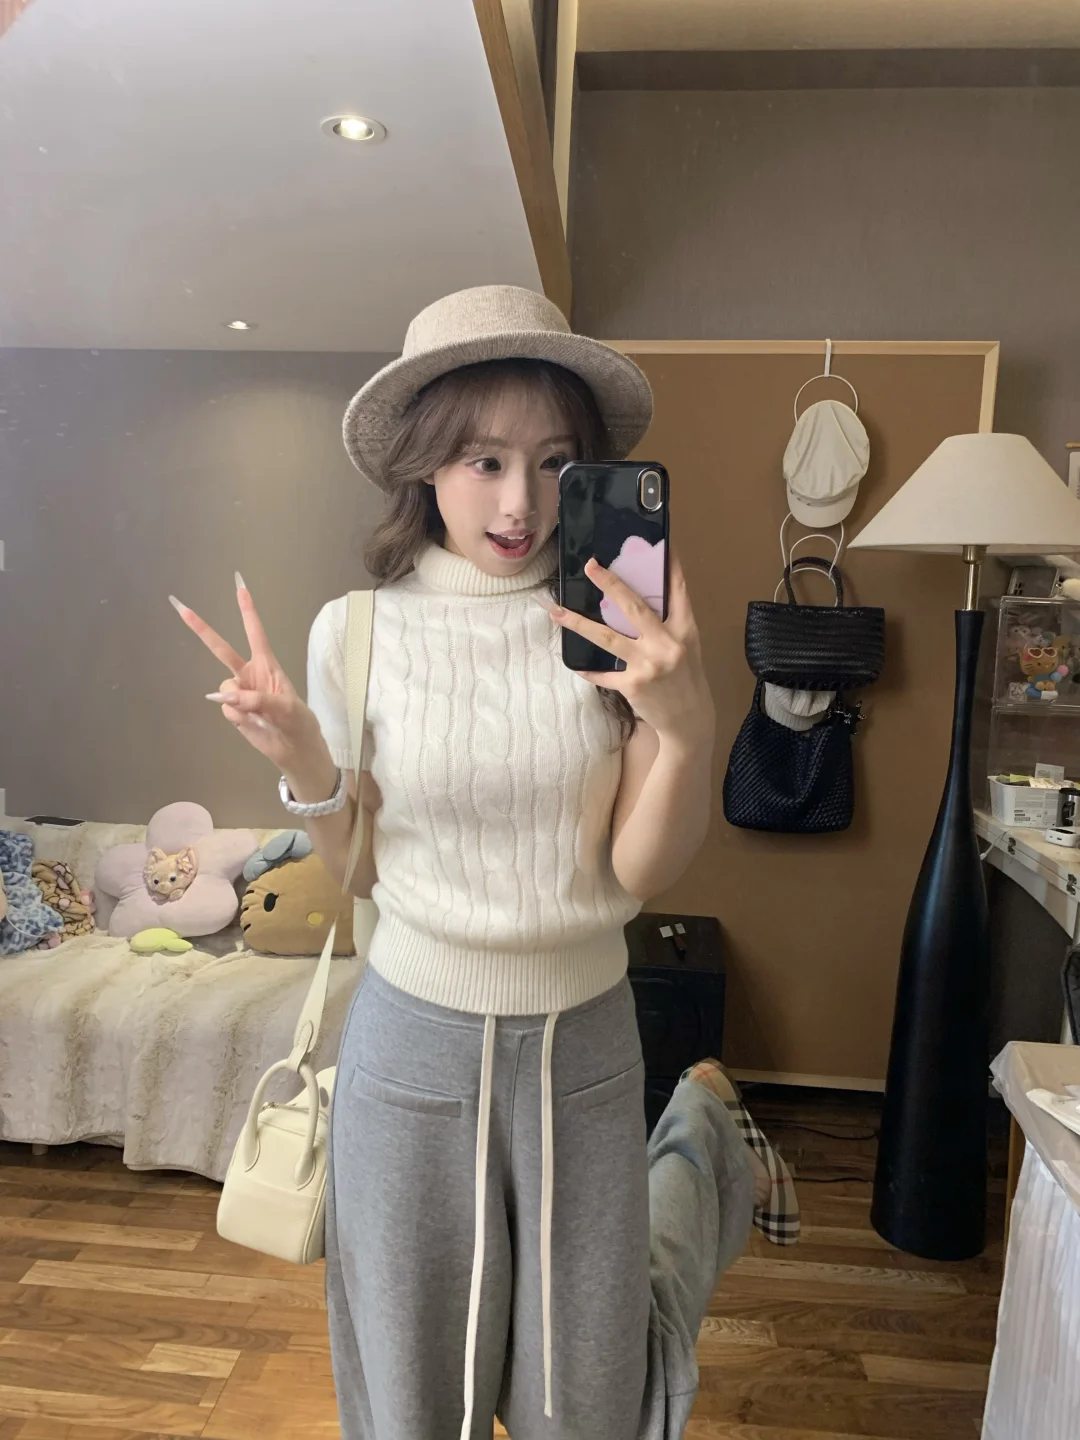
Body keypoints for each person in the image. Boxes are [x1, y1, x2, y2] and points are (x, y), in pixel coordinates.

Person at [173, 286, 798, 1440]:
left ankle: (703, 1133)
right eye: (485, 461)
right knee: (415, 1403)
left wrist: (687, 724)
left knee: (587, 1407)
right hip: (412, 1050)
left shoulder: (624, 622)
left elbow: (637, 872)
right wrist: (306, 758)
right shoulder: (358, 632)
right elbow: (361, 874)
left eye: (556, 462)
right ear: (424, 463)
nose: (523, 502)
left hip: (585, 1046)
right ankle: (706, 1125)